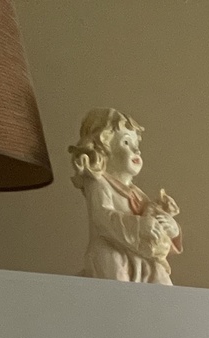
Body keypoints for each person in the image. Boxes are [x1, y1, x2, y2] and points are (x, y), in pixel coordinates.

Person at [69, 108, 182, 284]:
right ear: (103, 150)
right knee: (115, 285)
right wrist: (140, 226)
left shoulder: (138, 194)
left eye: (137, 144)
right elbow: (102, 217)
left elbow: (154, 225)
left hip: (142, 255)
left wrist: (172, 228)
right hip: (111, 250)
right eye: (127, 143)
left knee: (162, 282)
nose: (137, 150)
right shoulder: (98, 183)